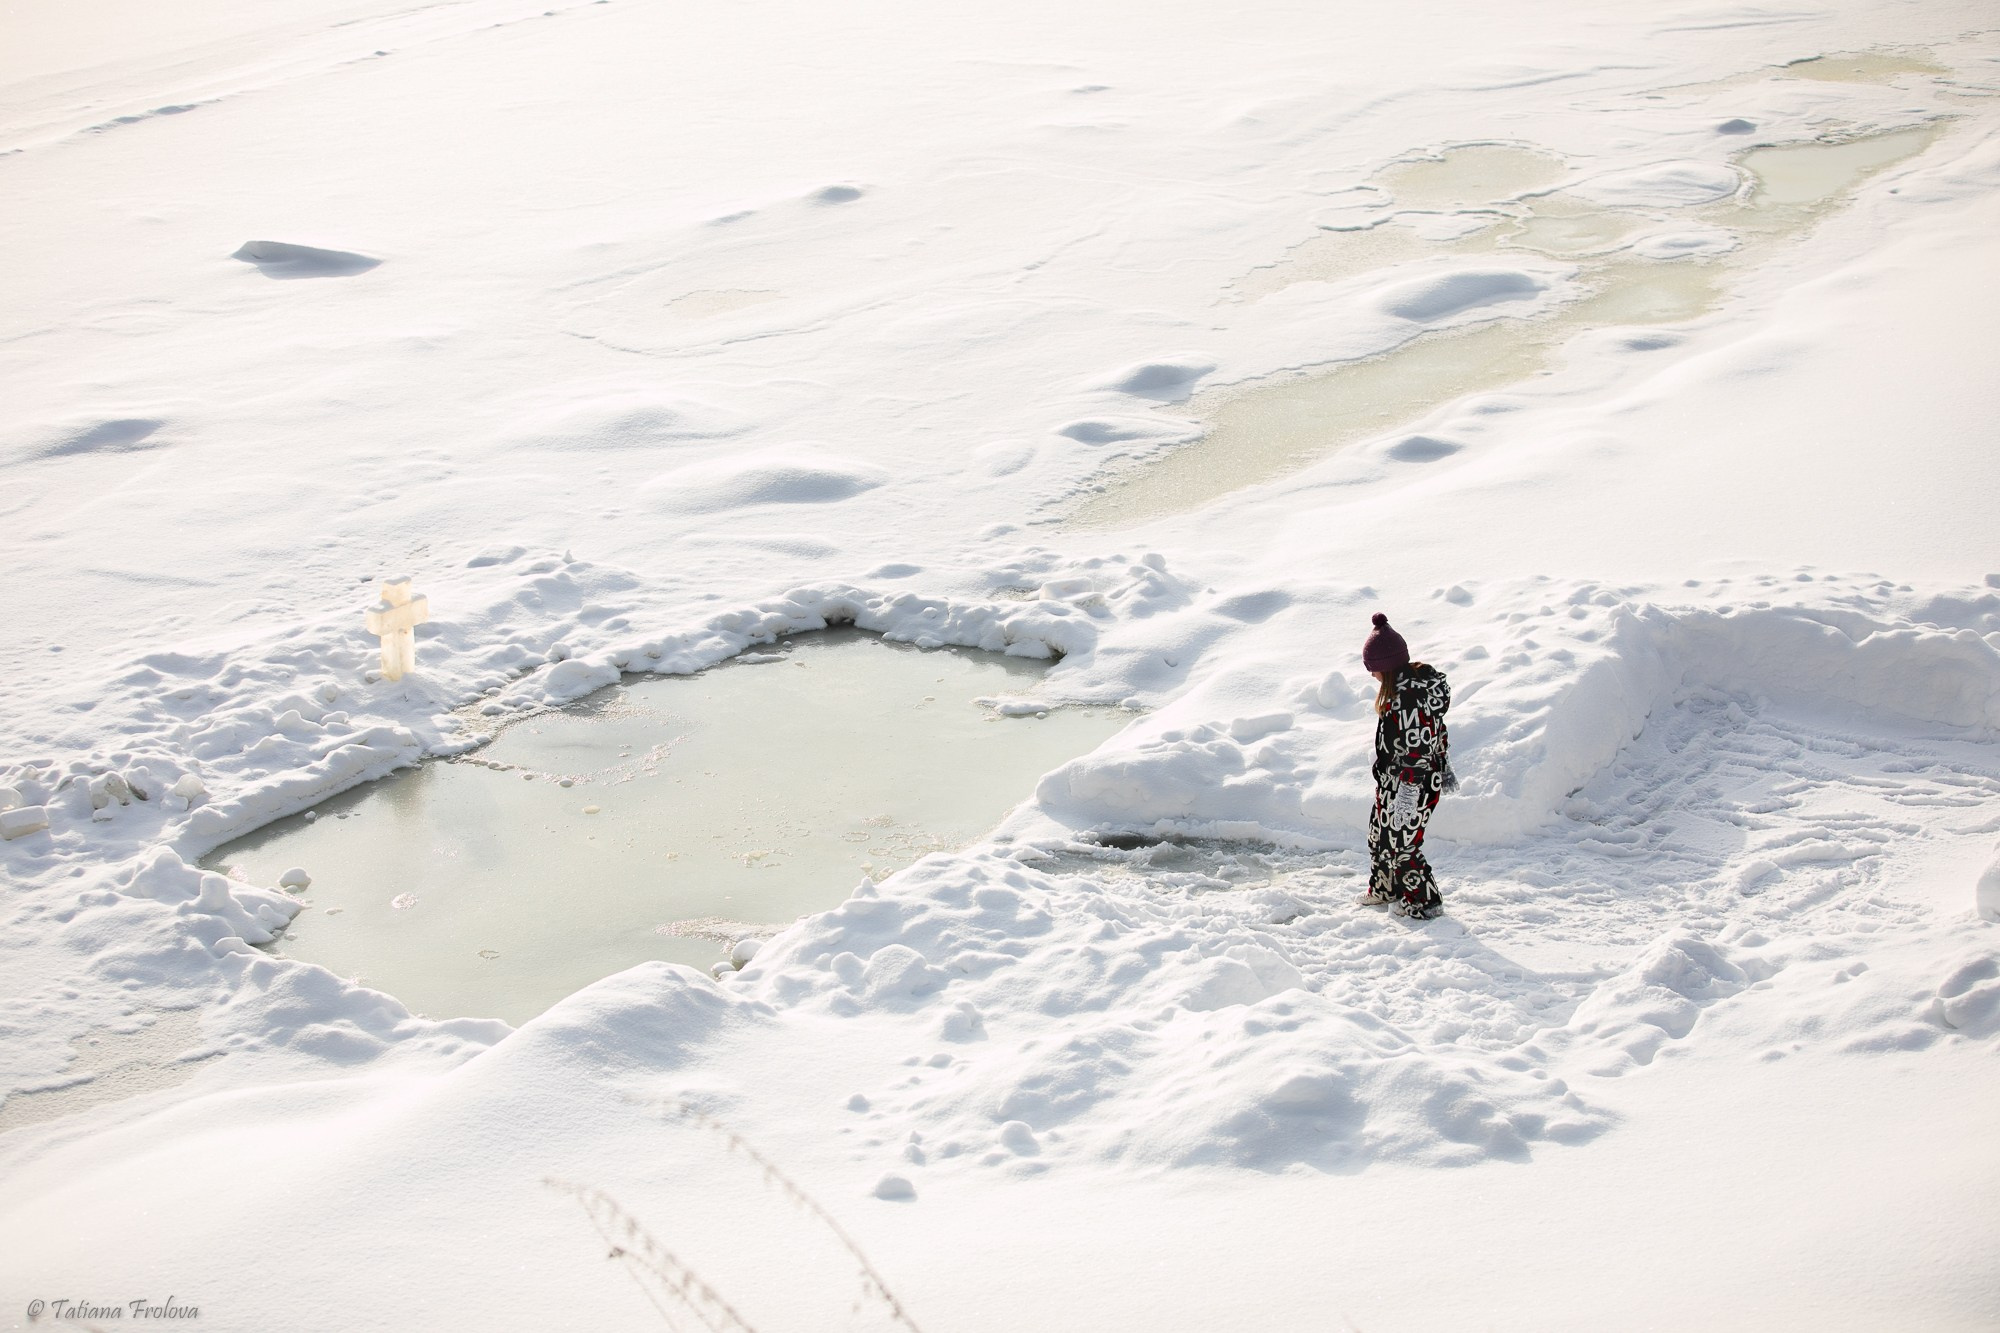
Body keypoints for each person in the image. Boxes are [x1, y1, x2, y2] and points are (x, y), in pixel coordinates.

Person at [1356, 613, 1452, 919]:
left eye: (1373, 669)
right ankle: (1385, 888)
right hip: (1394, 780)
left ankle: (1424, 902)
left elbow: (1418, 749)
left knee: (1403, 843)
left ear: (1385, 666)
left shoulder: (1408, 697)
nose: (1372, 676)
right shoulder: (1401, 691)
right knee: (1380, 835)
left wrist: (1408, 793)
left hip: (1413, 782)